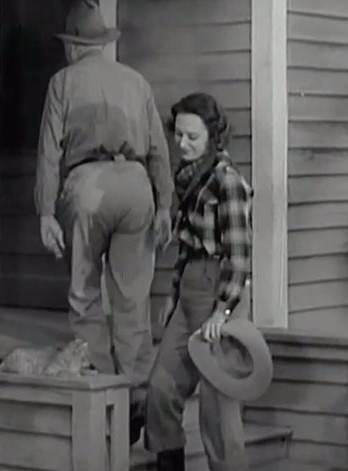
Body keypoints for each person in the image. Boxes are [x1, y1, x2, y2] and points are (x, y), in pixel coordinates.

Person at [34, 0, 174, 445]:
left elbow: (49, 152)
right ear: (102, 44)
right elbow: (158, 150)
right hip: (136, 185)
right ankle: (136, 402)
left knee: (85, 294)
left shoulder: (63, 82)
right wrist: (165, 203)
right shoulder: (137, 81)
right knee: (133, 302)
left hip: (88, 185)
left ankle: (103, 396)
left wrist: (44, 212)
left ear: (74, 47)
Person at [144, 92, 254, 471]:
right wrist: (174, 298)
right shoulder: (189, 178)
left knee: (217, 405)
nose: (182, 144)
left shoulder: (228, 182)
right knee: (161, 386)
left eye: (192, 137)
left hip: (220, 293)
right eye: (178, 136)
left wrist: (222, 310)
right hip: (190, 292)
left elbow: (238, 256)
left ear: (212, 135)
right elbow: (186, 249)